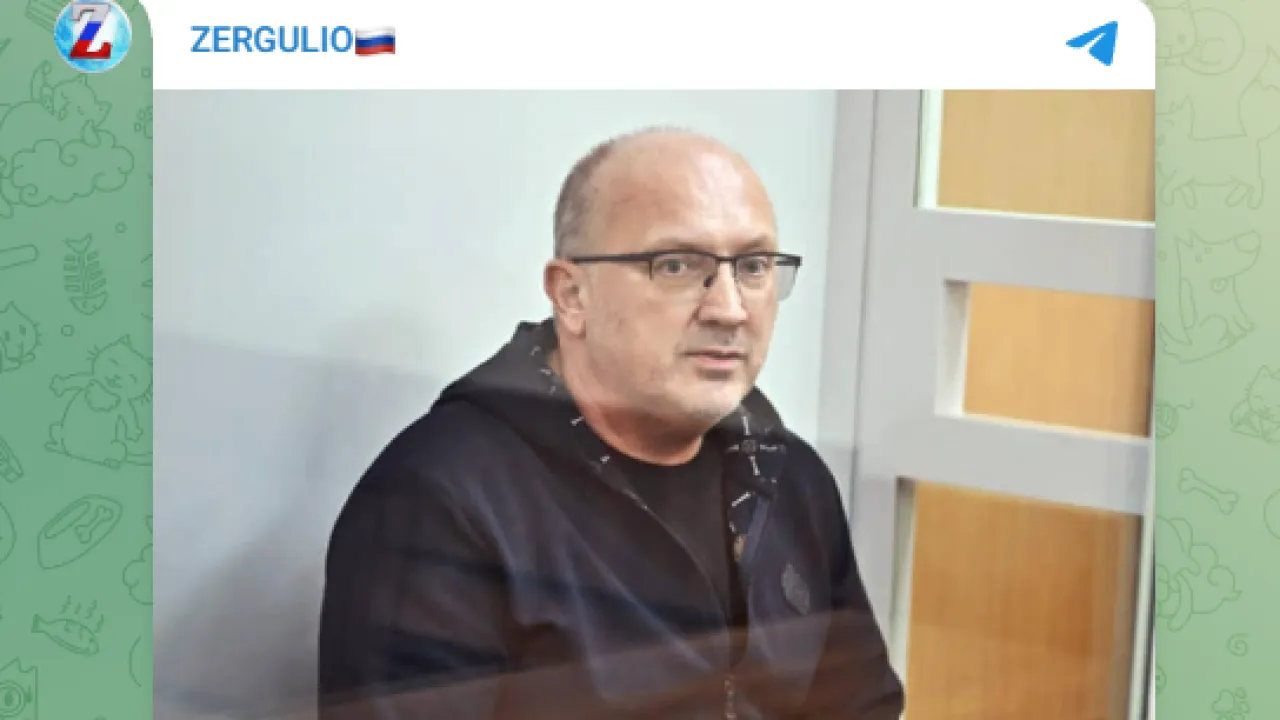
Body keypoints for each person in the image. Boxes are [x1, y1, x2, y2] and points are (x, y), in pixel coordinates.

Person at [317, 128, 903, 719]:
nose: (729, 309)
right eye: (676, 265)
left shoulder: (788, 475)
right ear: (572, 295)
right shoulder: (442, 499)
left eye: (753, 267)